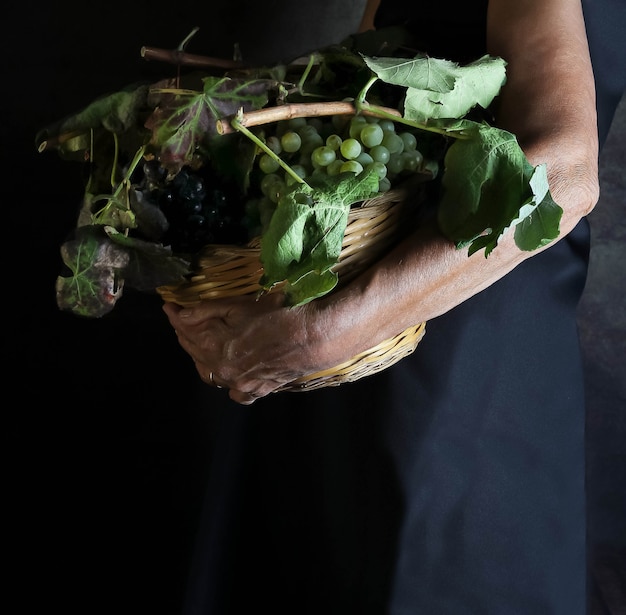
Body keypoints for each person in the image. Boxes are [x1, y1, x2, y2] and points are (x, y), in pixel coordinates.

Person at [157, 0, 623, 613]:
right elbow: (373, 78)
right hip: (382, 315)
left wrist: (322, 336)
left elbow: (565, 172)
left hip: (463, 339)